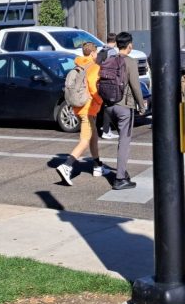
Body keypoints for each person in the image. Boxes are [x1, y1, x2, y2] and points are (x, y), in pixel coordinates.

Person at [56, 42, 109, 185]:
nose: (97, 55)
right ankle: (67, 165)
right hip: (88, 107)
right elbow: (92, 86)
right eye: (96, 53)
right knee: (85, 139)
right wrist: (100, 100)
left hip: (78, 106)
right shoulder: (93, 67)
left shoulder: (78, 65)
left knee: (94, 137)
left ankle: (97, 166)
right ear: (92, 53)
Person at [103, 32, 148, 191]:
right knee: (124, 142)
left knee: (121, 140)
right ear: (129, 45)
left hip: (109, 106)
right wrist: (141, 106)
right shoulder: (130, 62)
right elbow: (135, 85)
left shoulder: (109, 59)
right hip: (124, 106)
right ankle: (120, 178)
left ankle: (123, 171)